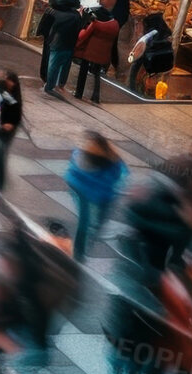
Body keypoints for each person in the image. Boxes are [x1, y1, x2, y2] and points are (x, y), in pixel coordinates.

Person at [64, 132, 127, 263]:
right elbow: (122, 175)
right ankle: (80, 251)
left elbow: (72, 176)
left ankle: (83, 249)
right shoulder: (104, 160)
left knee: (89, 222)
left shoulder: (85, 158)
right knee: (87, 222)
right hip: (92, 193)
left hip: (95, 193)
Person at [73, 5, 119, 103]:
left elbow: (85, 35)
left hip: (90, 51)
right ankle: (96, 96)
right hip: (103, 53)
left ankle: (79, 93)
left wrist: (81, 32)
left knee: (83, 71)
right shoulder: (115, 25)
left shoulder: (95, 24)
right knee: (97, 74)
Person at [41, 0, 84, 95]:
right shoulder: (75, 15)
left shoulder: (53, 11)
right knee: (62, 65)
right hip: (69, 44)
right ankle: (57, 85)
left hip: (55, 42)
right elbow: (79, 29)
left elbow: (45, 26)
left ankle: (49, 86)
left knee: (52, 65)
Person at [128, 13, 175, 95]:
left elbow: (135, 56)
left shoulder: (150, 36)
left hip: (149, 67)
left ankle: (135, 92)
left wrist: (133, 56)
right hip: (158, 69)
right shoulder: (165, 35)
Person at [0, 71, 22, 188]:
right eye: (7, 80)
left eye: (11, 81)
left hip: (7, 130)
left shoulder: (15, 99)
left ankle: (0, 183)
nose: (8, 83)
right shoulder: (1, 87)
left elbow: (16, 117)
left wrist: (10, 125)